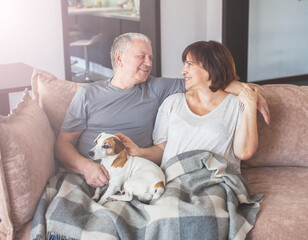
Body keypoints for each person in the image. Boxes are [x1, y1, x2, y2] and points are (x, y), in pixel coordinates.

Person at [55, 33, 269, 189]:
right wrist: (86, 168)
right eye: (141, 56)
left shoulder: (157, 88)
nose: (148, 64)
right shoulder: (87, 94)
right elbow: (63, 144)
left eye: (150, 57)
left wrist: (246, 91)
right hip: (87, 173)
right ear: (119, 58)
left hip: (132, 173)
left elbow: (206, 81)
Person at [117, 40, 259, 172]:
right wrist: (138, 152)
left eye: (190, 64)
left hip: (216, 181)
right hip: (175, 179)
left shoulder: (237, 105)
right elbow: (162, 150)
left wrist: (251, 104)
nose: (183, 71)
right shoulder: (173, 103)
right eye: (184, 64)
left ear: (212, 66)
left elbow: (244, 152)